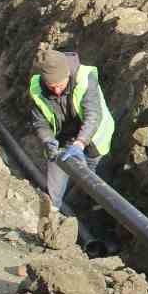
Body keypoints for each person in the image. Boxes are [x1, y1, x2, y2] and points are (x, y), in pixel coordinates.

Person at [28, 48, 116, 245]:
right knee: (53, 189)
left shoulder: (85, 78)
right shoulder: (36, 88)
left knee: (94, 184)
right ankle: (52, 229)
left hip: (92, 140)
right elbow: (40, 122)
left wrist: (80, 143)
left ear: (68, 74)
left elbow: (93, 116)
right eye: (52, 87)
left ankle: (95, 224)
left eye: (60, 85)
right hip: (63, 139)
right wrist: (47, 140)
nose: (57, 91)